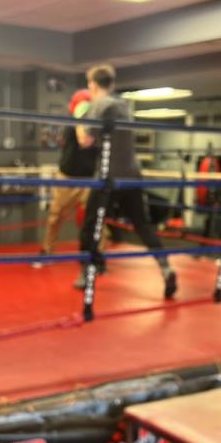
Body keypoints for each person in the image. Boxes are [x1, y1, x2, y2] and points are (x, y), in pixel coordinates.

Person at [74, 64, 177, 299]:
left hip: (108, 177)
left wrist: (79, 115)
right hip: (132, 175)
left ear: (92, 84)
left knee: (91, 225)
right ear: (111, 83)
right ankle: (165, 268)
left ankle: (86, 275)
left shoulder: (98, 105)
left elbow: (84, 141)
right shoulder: (124, 105)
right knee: (142, 224)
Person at [33, 89, 102, 267]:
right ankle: (47, 252)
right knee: (55, 217)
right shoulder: (74, 124)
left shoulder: (97, 126)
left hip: (88, 179)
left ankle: (96, 255)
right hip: (67, 178)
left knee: (93, 218)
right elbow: (80, 140)